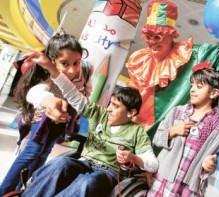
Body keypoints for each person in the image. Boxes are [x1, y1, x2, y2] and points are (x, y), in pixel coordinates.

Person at [21, 50, 158, 197]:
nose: (109, 109)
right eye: (110, 104)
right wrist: (50, 67)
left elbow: (153, 163)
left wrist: (133, 158)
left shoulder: (137, 132)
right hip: (85, 161)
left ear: (131, 113)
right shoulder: (99, 113)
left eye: (116, 106)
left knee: (87, 182)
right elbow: (72, 93)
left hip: (108, 172)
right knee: (59, 164)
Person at [0, 33, 93, 196]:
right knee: (32, 151)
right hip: (43, 117)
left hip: (62, 119)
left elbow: (79, 92)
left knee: (44, 152)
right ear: (52, 62)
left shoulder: (84, 70)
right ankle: (4, 191)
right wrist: (49, 101)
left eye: (76, 63)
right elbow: (36, 92)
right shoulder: (46, 75)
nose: (71, 69)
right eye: (65, 63)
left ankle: (27, 188)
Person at [126, 0, 219, 137]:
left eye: (158, 37)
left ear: (171, 35)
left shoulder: (194, 55)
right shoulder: (139, 60)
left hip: (167, 141)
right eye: (148, 36)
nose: (152, 41)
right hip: (132, 134)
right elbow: (129, 97)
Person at [147, 66, 219, 197]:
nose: (192, 89)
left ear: (214, 93)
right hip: (162, 180)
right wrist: (172, 131)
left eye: (199, 86)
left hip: (189, 188)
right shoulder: (177, 112)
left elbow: (218, 160)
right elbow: (156, 139)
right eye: (192, 85)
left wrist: (209, 165)